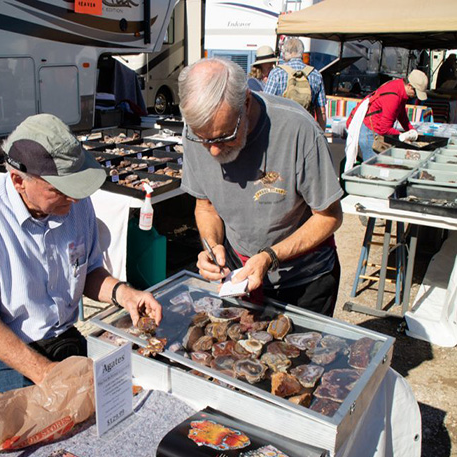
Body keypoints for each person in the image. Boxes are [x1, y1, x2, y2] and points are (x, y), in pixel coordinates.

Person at [0, 114, 162, 414]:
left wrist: (125, 294)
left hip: (58, 338)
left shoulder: (76, 203)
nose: (74, 199)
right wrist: (46, 374)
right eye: (60, 189)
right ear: (18, 180)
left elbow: (88, 270)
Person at [178, 58, 343, 317]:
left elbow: (329, 216)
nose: (213, 149)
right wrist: (212, 246)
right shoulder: (197, 131)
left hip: (302, 279)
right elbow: (205, 205)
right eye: (204, 139)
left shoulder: (298, 130)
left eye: (225, 136)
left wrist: (270, 257)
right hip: (239, 275)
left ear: (245, 101)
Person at [345, 69, 429, 168]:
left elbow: (401, 114)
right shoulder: (393, 97)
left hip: (374, 129)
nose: (415, 97)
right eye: (416, 93)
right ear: (410, 86)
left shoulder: (399, 87)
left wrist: (411, 130)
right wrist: (403, 136)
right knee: (374, 169)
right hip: (370, 132)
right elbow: (384, 129)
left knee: (380, 165)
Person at [264, 38, 327, 131]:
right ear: (302, 53)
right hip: (307, 130)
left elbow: (266, 105)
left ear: (285, 53)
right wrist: (321, 135)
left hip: (282, 130)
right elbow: (321, 111)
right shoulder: (316, 74)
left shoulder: (276, 73)